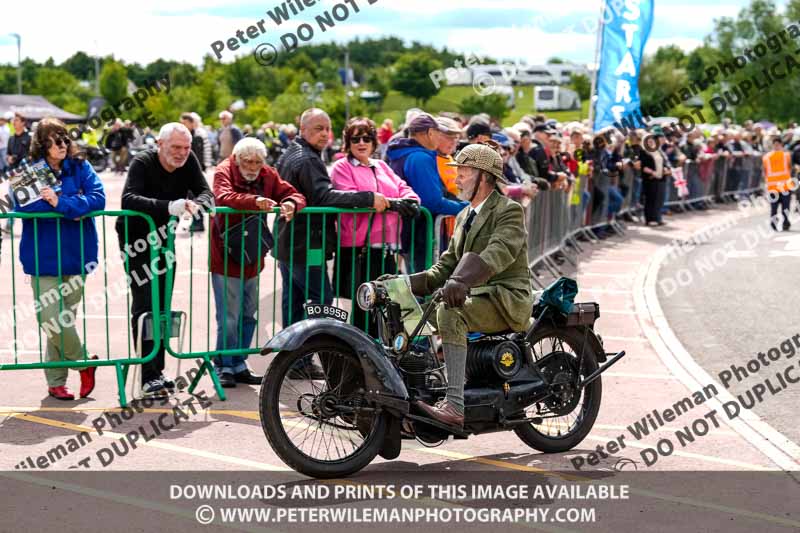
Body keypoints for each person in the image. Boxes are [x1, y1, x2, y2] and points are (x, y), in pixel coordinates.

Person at [382, 144, 533, 428]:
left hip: (504, 298)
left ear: (483, 176)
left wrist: (462, 280)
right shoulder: (465, 215)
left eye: (463, 171)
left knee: (451, 313)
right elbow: (444, 267)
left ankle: (454, 406)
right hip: (471, 293)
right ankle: (420, 386)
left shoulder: (508, 211)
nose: (457, 178)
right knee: (406, 307)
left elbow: (498, 252)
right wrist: (400, 283)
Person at [274, 108, 388, 377]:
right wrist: (366, 198)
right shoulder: (306, 159)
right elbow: (323, 197)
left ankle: (294, 362)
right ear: (303, 130)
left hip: (292, 242)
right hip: (306, 244)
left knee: (295, 300)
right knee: (321, 301)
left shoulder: (294, 152)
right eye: (318, 128)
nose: (325, 133)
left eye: (327, 128)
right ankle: (318, 362)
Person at [116, 123, 214, 396]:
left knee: (163, 302)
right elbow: (129, 199)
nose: (182, 153)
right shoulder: (142, 162)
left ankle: (157, 371)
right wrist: (168, 206)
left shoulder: (189, 160)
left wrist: (198, 204)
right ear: (159, 144)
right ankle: (148, 374)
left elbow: (206, 191)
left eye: (186, 148)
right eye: (175, 148)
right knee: (146, 302)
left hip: (165, 240)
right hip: (136, 240)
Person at [14, 117, 106, 400]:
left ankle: (56, 381)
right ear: (42, 144)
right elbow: (24, 204)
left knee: (64, 320)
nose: (63, 144)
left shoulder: (80, 166)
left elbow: (98, 198)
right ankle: (84, 361)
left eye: (65, 138)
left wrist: (60, 202)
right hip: (43, 257)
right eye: (56, 140)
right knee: (50, 319)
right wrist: (73, 206)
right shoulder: (29, 170)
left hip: (78, 254)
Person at [211, 137, 306, 387]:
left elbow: (295, 194)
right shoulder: (224, 170)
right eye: (248, 162)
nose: (253, 167)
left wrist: (290, 204)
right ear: (237, 159)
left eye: (257, 162)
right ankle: (224, 365)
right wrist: (254, 202)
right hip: (226, 254)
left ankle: (239, 363)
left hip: (252, 256)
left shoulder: (267, 174)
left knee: (248, 314)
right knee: (229, 316)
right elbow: (222, 196)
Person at [330, 117, 420, 337]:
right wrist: (390, 203)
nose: (362, 143)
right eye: (355, 139)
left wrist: (408, 200)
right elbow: (350, 194)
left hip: (386, 248)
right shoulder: (342, 166)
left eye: (367, 138)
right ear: (347, 142)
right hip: (358, 249)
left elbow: (403, 188)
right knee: (362, 307)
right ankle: (357, 359)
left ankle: (381, 358)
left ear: (374, 141)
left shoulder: (381, 165)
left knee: (386, 306)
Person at [386, 113, 468, 273]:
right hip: (420, 231)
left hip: (410, 229)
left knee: (417, 278)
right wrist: (465, 208)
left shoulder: (403, 154)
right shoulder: (420, 158)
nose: (439, 139)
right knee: (423, 282)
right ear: (430, 133)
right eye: (439, 134)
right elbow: (432, 200)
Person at [5, 112, 32, 234]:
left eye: (16, 120)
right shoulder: (11, 139)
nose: (14, 123)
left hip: (25, 174)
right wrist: (9, 158)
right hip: (13, 174)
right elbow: (8, 154)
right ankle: (9, 225)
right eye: (13, 120)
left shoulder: (29, 138)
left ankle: (30, 226)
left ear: (23, 123)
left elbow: (31, 156)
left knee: (27, 200)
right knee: (11, 199)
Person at [763, 136, 794, 231]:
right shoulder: (785, 155)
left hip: (780, 186)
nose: (776, 146)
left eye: (777, 144)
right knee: (778, 207)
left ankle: (782, 222)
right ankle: (779, 222)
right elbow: (790, 168)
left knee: (782, 207)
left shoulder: (767, 157)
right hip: (778, 187)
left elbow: (765, 171)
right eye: (775, 144)